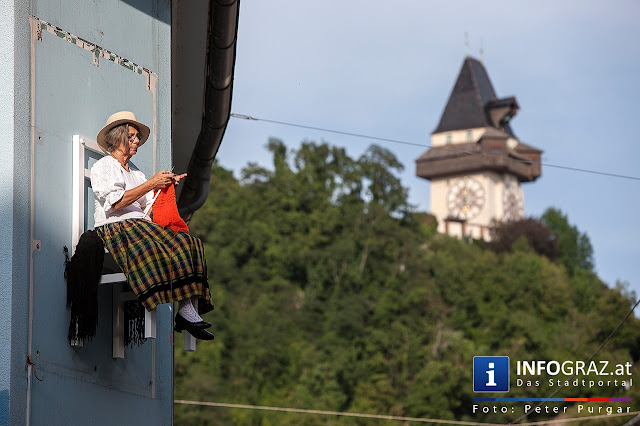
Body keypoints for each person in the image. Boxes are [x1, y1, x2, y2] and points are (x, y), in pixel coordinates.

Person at [90, 111, 214, 340]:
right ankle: (181, 308)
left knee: (189, 244)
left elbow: (150, 208)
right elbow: (116, 202)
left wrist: (164, 187)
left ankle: (187, 310)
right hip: (117, 227)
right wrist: (152, 184)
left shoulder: (136, 172)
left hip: (141, 226)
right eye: (132, 136)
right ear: (118, 138)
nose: (137, 141)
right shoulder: (105, 165)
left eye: (137, 137)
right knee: (155, 246)